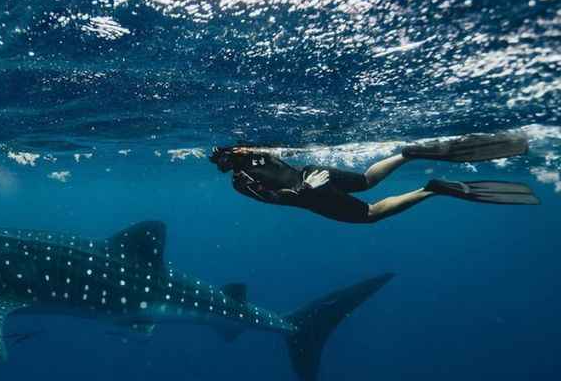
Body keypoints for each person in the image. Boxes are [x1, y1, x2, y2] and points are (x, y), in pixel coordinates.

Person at [209, 132, 539, 224]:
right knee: (367, 180)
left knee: (369, 214)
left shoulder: (240, 180)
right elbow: (288, 153)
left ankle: (431, 189)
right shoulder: (254, 148)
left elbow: (277, 198)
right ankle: (407, 154)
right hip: (313, 174)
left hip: (311, 192)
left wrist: (304, 189)